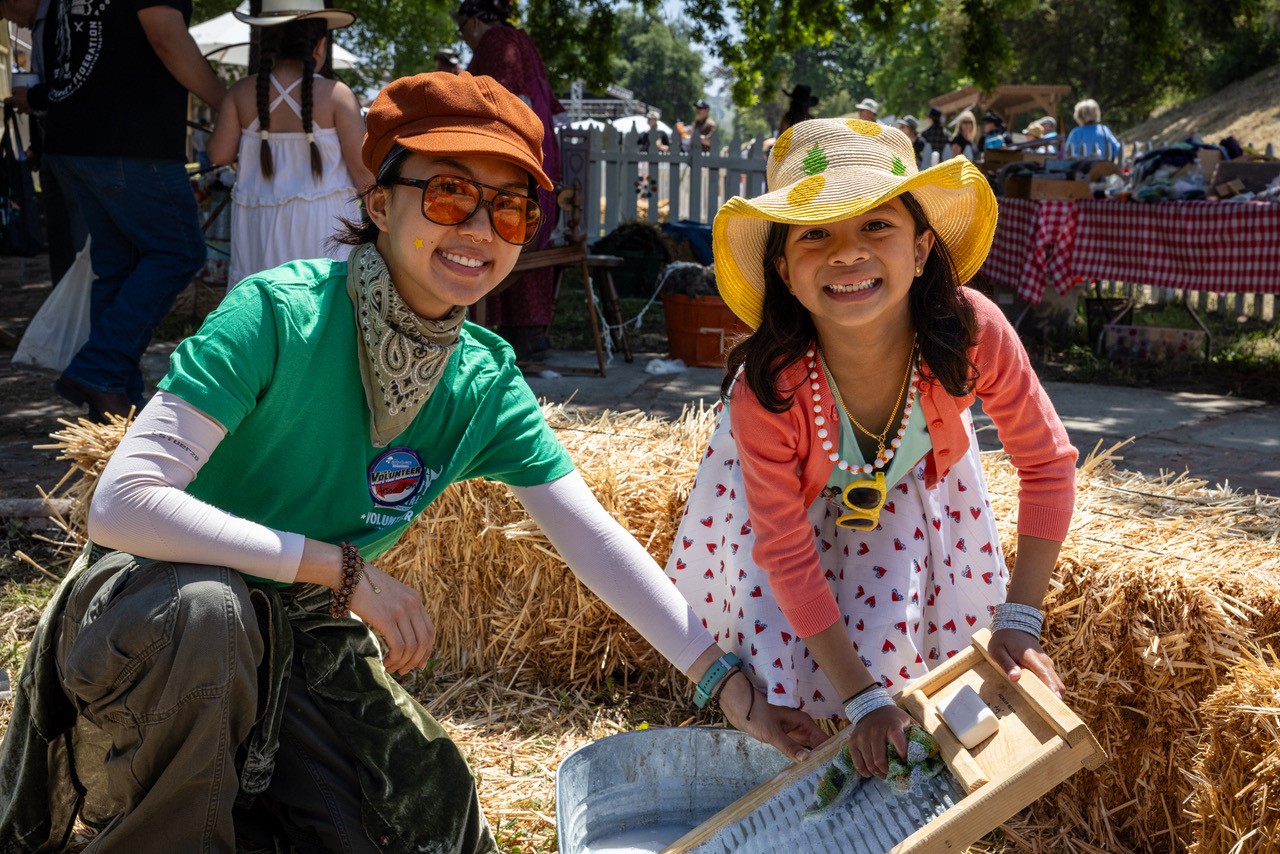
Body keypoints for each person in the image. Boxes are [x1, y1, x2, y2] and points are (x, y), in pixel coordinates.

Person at [0, 71, 826, 852]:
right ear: (378, 199)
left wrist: (728, 686)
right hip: (149, 619)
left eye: (508, 210)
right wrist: (339, 568)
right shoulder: (276, 315)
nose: (477, 230)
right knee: (212, 615)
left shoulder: (480, 380)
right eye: (449, 193)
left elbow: (595, 542)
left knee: (429, 811)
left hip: (296, 639)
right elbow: (124, 504)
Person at [664, 118, 1075, 778]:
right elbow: (787, 552)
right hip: (786, 511)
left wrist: (1020, 619)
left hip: (907, 481)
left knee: (895, 636)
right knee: (788, 658)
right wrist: (860, 701)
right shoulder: (768, 392)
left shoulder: (974, 333)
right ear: (784, 273)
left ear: (921, 249)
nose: (847, 253)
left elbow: (1048, 465)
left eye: (876, 226)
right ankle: (810, 765)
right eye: (815, 233)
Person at [40, 0, 226, 421]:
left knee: (118, 265)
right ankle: (99, 371)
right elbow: (165, 36)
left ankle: (111, 402)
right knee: (179, 251)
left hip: (75, 135)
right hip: (128, 140)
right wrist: (223, 99)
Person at [207, 0, 372, 292]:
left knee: (263, 309)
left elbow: (218, 153)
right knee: (322, 307)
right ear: (320, 45)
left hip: (258, 228)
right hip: (324, 228)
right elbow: (364, 171)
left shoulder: (242, 92)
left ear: (266, 40)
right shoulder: (336, 95)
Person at [456, 0, 563, 361]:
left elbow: (499, 99)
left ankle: (499, 332)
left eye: (461, 27)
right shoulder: (517, 37)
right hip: (535, 142)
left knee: (497, 216)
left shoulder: (496, 41)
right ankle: (526, 333)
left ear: (472, 22)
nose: (463, 37)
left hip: (515, 143)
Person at [0, 0, 87, 286]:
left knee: (79, 238)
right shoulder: (39, 26)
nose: (6, 19)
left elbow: (71, 81)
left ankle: (80, 304)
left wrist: (34, 98)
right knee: (61, 238)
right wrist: (37, 146)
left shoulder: (61, 16)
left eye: (4, 9)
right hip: (52, 148)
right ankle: (63, 302)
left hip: (75, 147)